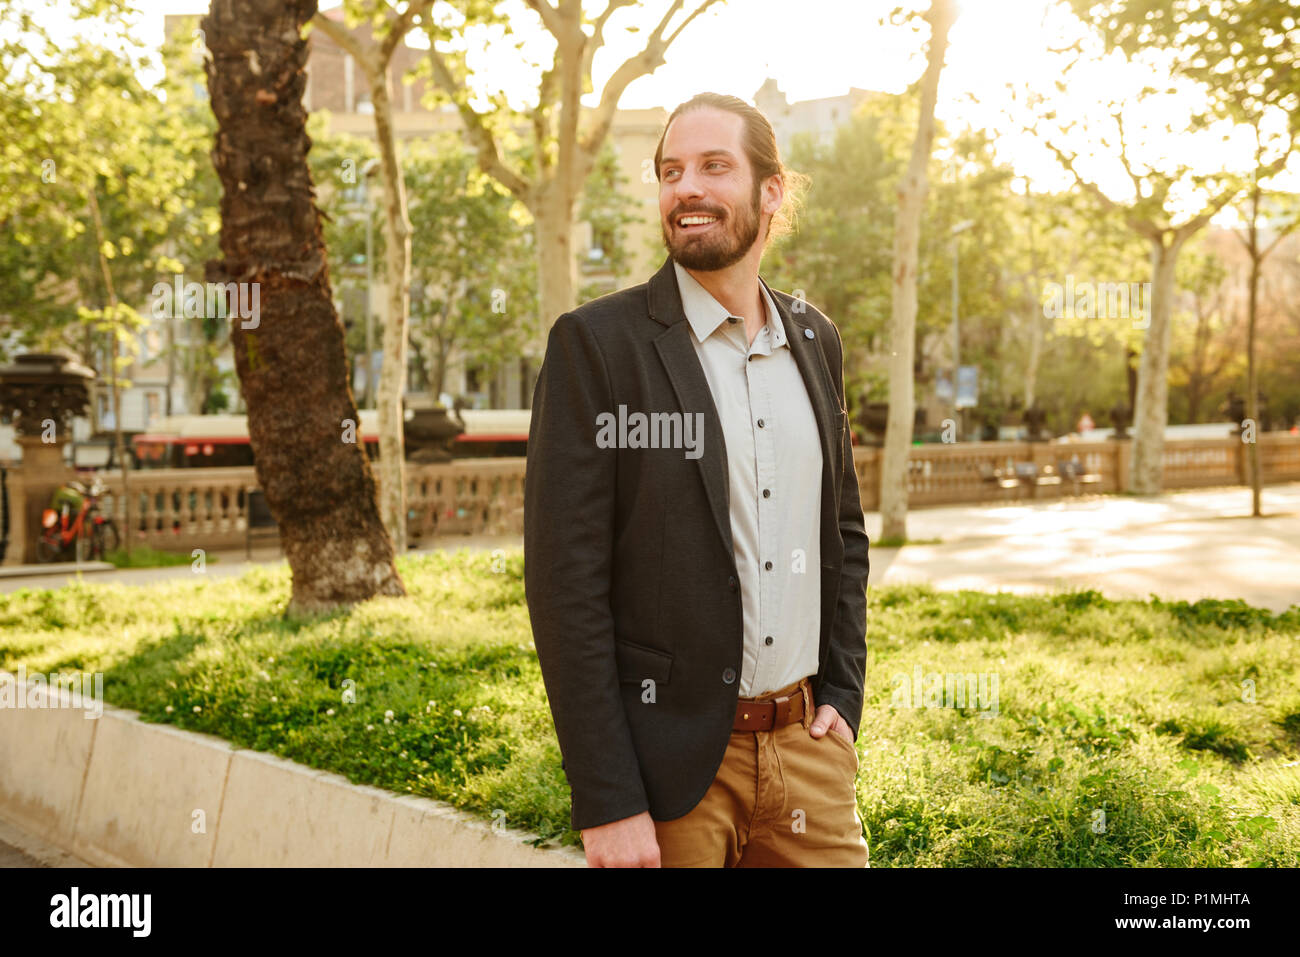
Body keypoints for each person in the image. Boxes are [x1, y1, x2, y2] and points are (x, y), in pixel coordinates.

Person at [524, 92, 870, 868]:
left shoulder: (816, 340)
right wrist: (607, 798)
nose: (687, 188)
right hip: (671, 777)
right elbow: (563, 581)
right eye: (670, 170)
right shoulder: (598, 346)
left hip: (808, 758)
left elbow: (841, 532)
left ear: (771, 191)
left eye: (715, 166)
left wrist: (843, 697)